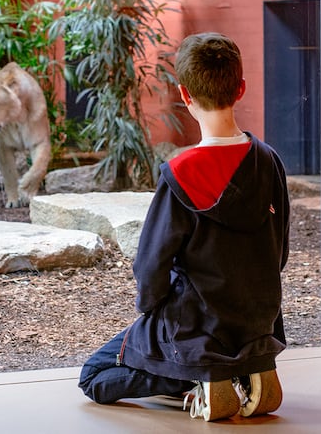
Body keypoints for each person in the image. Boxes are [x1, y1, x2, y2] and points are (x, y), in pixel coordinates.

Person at [78, 32, 290, 422]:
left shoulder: (179, 173)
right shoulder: (269, 160)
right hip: (257, 324)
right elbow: (281, 251)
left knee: (94, 376)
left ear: (185, 95)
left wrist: (150, 312)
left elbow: (151, 266)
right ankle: (242, 369)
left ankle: (202, 378)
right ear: (240, 88)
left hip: (194, 330)